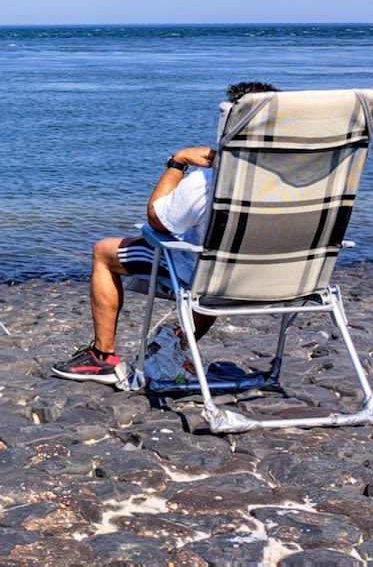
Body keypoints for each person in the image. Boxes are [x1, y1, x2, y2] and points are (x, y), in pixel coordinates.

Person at [51, 80, 277, 384]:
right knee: (216, 261)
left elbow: (159, 221)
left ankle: (102, 357)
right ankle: (179, 346)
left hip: (213, 280)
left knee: (104, 251)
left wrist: (178, 161)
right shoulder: (307, 178)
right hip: (281, 281)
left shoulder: (211, 181)